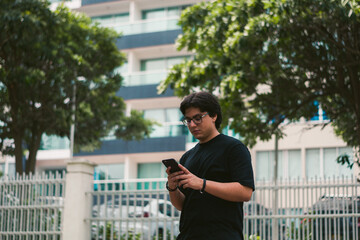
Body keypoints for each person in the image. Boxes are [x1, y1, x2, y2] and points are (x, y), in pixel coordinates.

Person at [165, 91, 255, 240]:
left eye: (198, 118)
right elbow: (182, 205)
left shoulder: (234, 148)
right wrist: (172, 187)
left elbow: (245, 192)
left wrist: (202, 183)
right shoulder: (187, 157)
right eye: (188, 120)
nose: (192, 125)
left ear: (214, 116)